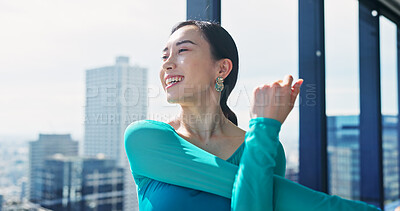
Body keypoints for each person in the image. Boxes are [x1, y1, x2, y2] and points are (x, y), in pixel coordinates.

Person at [124, 20, 381, 211]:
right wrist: (264, 129)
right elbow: (271, 194)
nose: (167, 64)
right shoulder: (145, 138)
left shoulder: (266, 147)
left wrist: (264, 129)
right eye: (164, 55)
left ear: (222, 68)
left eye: (182, 51)